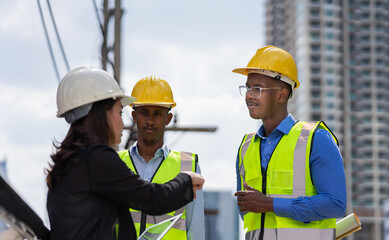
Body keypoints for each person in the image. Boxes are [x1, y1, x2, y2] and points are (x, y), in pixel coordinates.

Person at [45, 67, 205, 240]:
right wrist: (186, 181)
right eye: (119, 113)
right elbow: (153, 199)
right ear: (103, 114)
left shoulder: (70, 162)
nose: (122, 123)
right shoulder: (98, 159)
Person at [232, 46, 346, 240]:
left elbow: (335, 204)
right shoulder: (246, 146)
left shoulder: (316, 139)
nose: (249, 95)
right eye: (248, 88)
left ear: (281, 95)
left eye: (257, 89)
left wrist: (270, 205)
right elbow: (246, 211)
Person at [117, 76, 205, 240]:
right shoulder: (115, 163)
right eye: (144, 113)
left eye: (157, 113)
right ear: (134, 116)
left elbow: (196, 230)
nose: (150, 120)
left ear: (168, 119)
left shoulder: (188, 166)